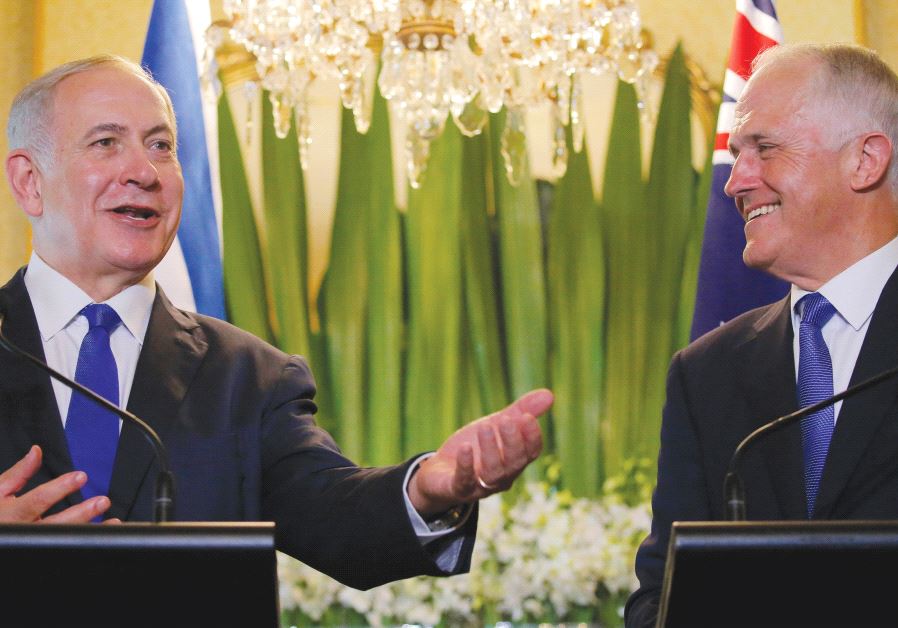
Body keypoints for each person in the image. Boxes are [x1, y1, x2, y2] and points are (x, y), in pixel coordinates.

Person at [0, 54, 553, 590]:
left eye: (161, 146)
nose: (144, 172)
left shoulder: (248, 375)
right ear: (29, 181)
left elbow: (337, 520)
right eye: (106, 143)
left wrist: (428, 488)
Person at [625, 42, 898, 627]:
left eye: (765, 149)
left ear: (865, 160)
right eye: (735, 154)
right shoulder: (707, 372)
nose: (735, 183)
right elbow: (656, 598)